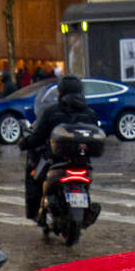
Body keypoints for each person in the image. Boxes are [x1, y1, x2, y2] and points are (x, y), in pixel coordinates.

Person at [22, 75, 94, 220]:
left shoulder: (52, 112)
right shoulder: (89, 113)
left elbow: (37, 137)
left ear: (60, 91)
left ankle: (34, 212)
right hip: (83, 160)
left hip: (56, 160)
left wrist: (24, 143)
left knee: (33, 174)